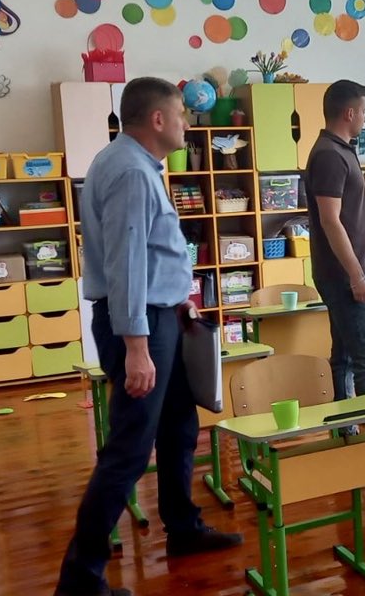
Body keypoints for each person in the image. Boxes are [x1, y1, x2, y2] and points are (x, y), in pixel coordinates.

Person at [56, 77, 241, 596]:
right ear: (157, 120)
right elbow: (127, 263)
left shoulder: (130, 162)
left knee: (179, 425)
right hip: (141, 326)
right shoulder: (132, 172)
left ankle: (183, 528)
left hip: (161, 317)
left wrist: (177, 297)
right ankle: (80, 579)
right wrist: (136, 346)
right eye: (181, 115)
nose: (187, 125)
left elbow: (150, 254)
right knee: (129, 449)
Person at [303, 80, 365, 433]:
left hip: (350, 272)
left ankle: (345, 426)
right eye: (362, 111)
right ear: (349, 113)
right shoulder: (329, 155)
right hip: (344, 274)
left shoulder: (339, 150)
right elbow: (330, 221)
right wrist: (356, 275)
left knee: (345, 354)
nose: (364, 116)